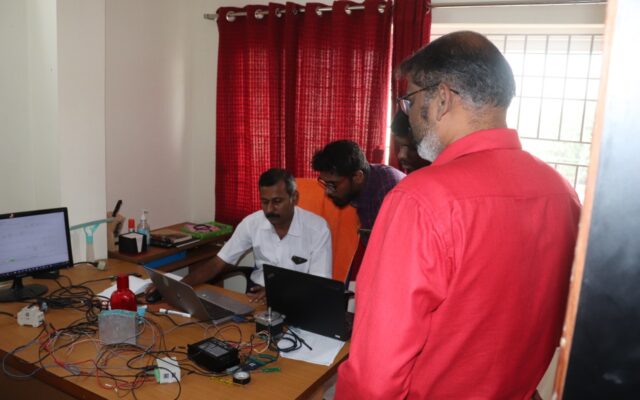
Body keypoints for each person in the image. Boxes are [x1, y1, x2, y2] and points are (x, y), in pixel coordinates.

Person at [335, 31, 581, 399]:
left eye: (410, 100)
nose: (408, 115)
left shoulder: (421, 199)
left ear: (441, 99)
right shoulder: (561, 191)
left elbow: (375, 375)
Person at [180, 168, 332, 303]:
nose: (270, 209)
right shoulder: (252, 223)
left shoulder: (317, 229)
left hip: (300, 298)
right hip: (257, 296)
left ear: (294, 198)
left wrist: (276, 292)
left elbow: (320, 283)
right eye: (264, 202)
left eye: (277, 201)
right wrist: (180, 287)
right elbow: (218, 262)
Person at [311, 140, 405, 245]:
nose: (327, 192)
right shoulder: (357, 186)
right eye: (325, 183)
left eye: (333, 184)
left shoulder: (389, 189)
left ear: (358, 176)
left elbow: (398, 244)